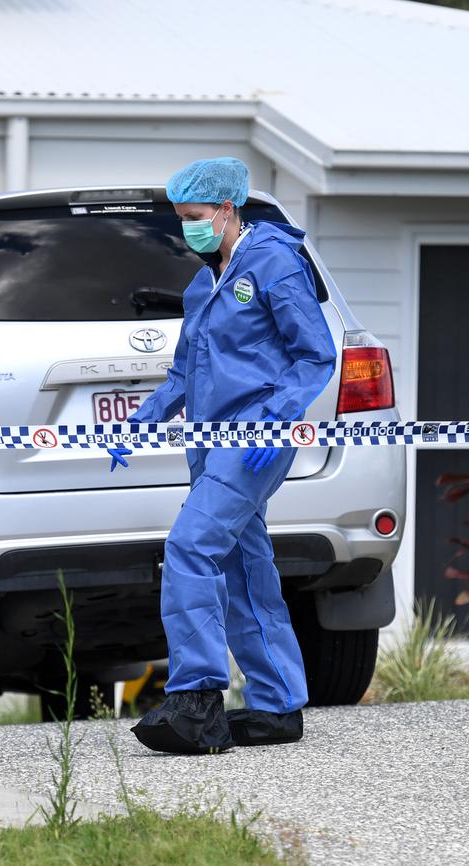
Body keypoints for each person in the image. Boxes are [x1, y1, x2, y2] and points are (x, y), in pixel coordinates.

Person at [108, 157, 337, 754]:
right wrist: (143, 419)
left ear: (227, 209)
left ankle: (196, 700)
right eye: (182, 219)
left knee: (190, 547)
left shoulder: (275, 262)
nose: (189, 230)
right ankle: (277, 705)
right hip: (209, 444)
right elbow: (185, 370)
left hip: (255, 441)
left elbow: (314, 355)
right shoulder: (203, 282)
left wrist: (274, 419)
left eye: (195, 217)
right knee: (241, 564)